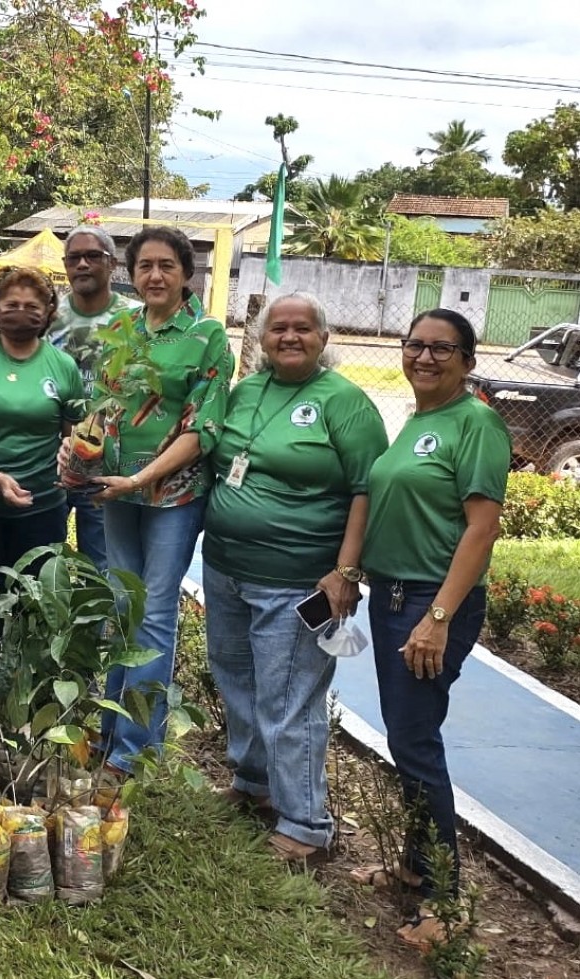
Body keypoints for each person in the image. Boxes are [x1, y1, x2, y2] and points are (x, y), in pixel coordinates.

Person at [202, 292, 388, 864]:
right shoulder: (246, 392)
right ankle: (253, 783)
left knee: (289, 698)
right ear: (260, 337)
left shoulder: (344, 402)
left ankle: (306, 823)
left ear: (324, 338)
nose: (289, 337)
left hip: (298, 581)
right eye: (277, 327)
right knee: (235, 679)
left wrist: (346, 571)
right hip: (227, 568)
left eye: (302, 328)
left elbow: (367, 489)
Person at [360, 308, 510, 951]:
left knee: (417, 744)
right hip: (393, 595)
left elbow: (482, 528)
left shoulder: (475, 422)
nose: (424, 357)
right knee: (407, 738)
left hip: (428, 602)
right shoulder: (423, 420)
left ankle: (444, 904)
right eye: (415, 345)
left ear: (467, 361)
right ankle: (419, 870)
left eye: (441, 348)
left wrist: (438, 617)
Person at [73, 226, 234, 770]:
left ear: (187, 274)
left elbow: (203, 427)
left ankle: (135, 752)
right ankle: (110, 730)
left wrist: (142, 480)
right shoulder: (122, 327)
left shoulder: (207, 335)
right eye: (145, 266)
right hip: (113, 490)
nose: (155, 275)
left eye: (167, 265)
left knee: (156, 612)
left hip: (173, 496)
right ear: (132, 273)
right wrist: (78, 455)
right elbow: (102, 405)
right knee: (123, 609)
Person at [0, 267, 84, 701]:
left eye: (31, 306)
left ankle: (30, 697)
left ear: (47, 313)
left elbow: (74, 435)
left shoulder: (63, 367)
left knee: (38, 602)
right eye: (11, 306)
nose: (21, 313)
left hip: (44, 506)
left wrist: (72, 466)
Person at [46, 225, 138, 570]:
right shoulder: (49, 317)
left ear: (112, 263)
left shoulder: (133, 319)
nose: (82, 264)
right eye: (74, 257)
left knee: (98, 566)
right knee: (42, 560)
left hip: (106, 462)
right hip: (51, 457)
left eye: (92, 256)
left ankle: (94, 625)